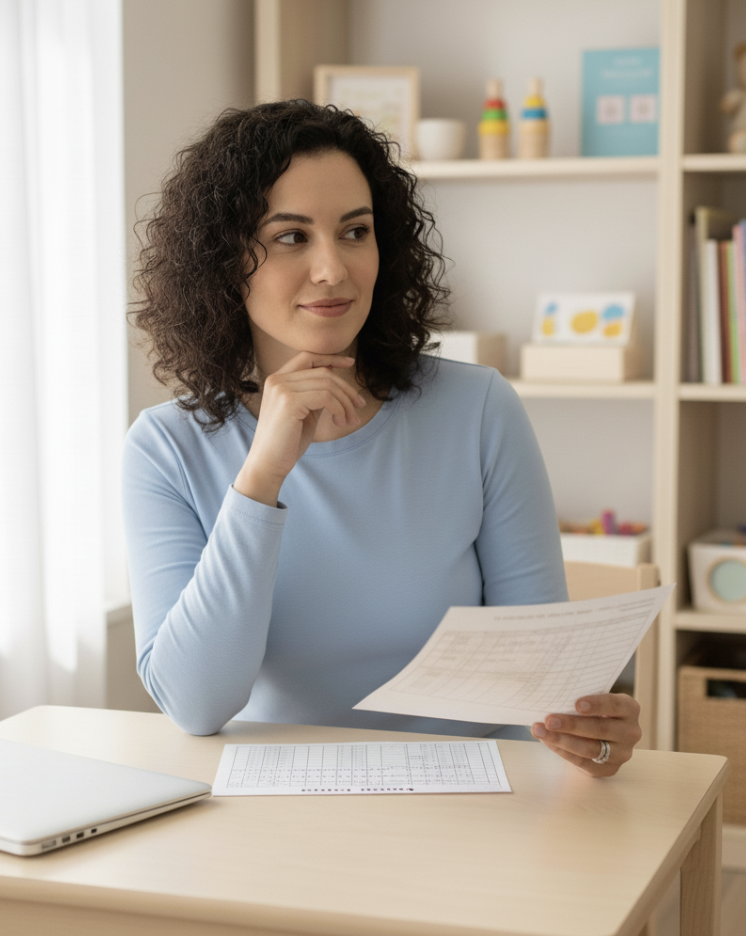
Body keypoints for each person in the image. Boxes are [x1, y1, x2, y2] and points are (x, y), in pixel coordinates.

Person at [123, 99, 641, 777]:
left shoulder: (478, 409)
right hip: (272, 814)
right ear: (224, 263)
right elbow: (194, 704)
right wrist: (261, 479)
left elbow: (538, 687)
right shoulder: (165, 450)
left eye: (355, 231)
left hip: (473, 801)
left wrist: (591, 739)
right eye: (290, 237)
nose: (334, 269)